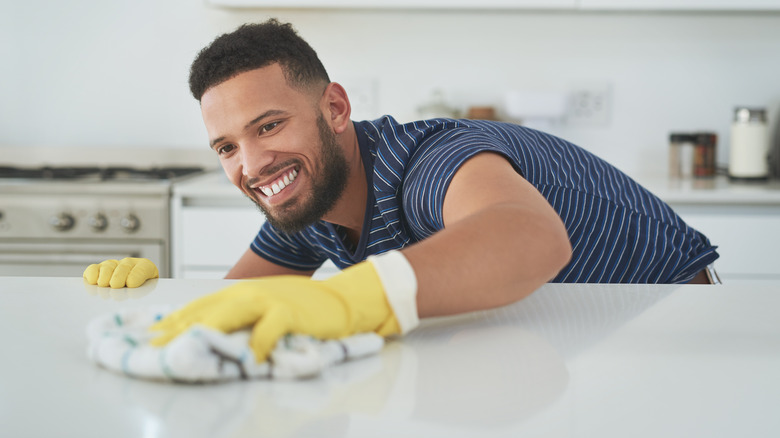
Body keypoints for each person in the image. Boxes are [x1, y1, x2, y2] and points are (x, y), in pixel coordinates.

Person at [83, 19, 718, 362]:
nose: (250, 164)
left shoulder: (429, 165)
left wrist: (349, 299)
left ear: (335, 108)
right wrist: (165, 301)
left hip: (676, 334)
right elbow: (237, 308)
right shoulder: (309, 198)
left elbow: (531, 237)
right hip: (567, 333)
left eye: (269, 126)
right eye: (227, 148)